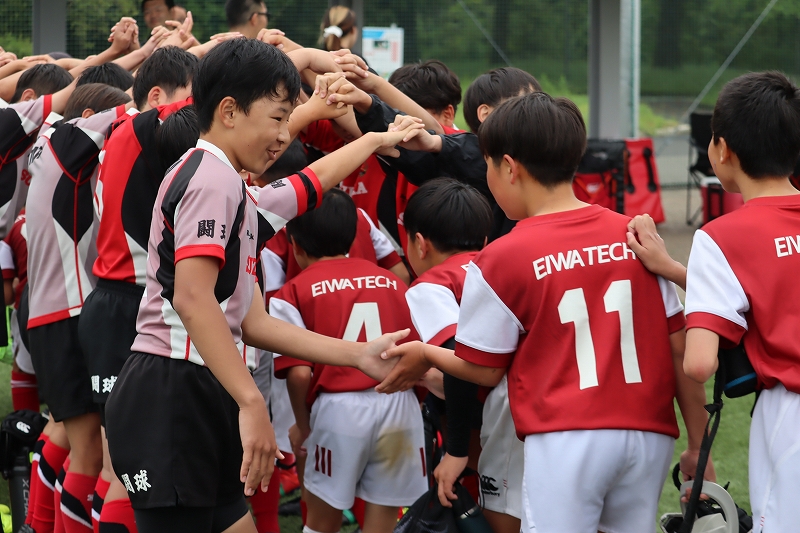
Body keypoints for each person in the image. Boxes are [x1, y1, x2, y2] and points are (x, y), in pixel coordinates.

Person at [103, 38, 422, 533]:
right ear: (229, 111)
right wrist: (252, 402)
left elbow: (254, 320)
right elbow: (192, 297)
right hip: (174, 391)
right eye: (277, 118)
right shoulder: (211, 179)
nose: (284, 134)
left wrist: (356, 354)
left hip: (201, 386)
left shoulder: (232, 187)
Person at [377, 92, 714, 533]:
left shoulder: (503, 255)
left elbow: (483, 370)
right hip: (648, 436)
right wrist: (697, 443)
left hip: (566, 436)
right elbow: (678, 347)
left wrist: (425, 353)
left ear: (509, 168)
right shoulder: (635, 235)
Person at [627, 71, 800, 533]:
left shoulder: (721, 236)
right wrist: (676, 269)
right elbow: (773, 289)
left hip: (789, 418)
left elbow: (700, 362)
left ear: (722, 150)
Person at [78, 46, 197, 533]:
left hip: (113, 301)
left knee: (122, 467)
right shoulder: (141, 127)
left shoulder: (121, 130)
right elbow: (217, 110)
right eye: (188, 98)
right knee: (126, 470)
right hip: (125, 304)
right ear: (158, 98)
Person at [270, 188, 426, 533]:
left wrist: (303, 426)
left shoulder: (291, 294)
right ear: (354, 235)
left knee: (322, 522)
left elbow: (299, 375)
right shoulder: (393, 281)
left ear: (295, 244)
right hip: (399, 406)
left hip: (338, 410)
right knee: (383, 519)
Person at [26, 83, 132, 533]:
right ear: (89, 118)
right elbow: (148, 108)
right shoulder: (69, 141)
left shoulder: (48, 143)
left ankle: (36, 522)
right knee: (94, 457)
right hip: (68, 313)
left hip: (49, 311)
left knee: (66, 436)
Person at [402, 178, 523, 531]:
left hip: (504, 417)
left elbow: (463, 364)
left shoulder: (431, 286)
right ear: (484, 241)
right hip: (553, 408)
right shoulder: (505, 265)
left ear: (419, 244)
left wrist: (455, 450)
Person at [388, 60, 463, 133]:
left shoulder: (468, 141)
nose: (402, 124)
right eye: (394, 117)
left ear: (447, 115)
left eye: (414, 120)